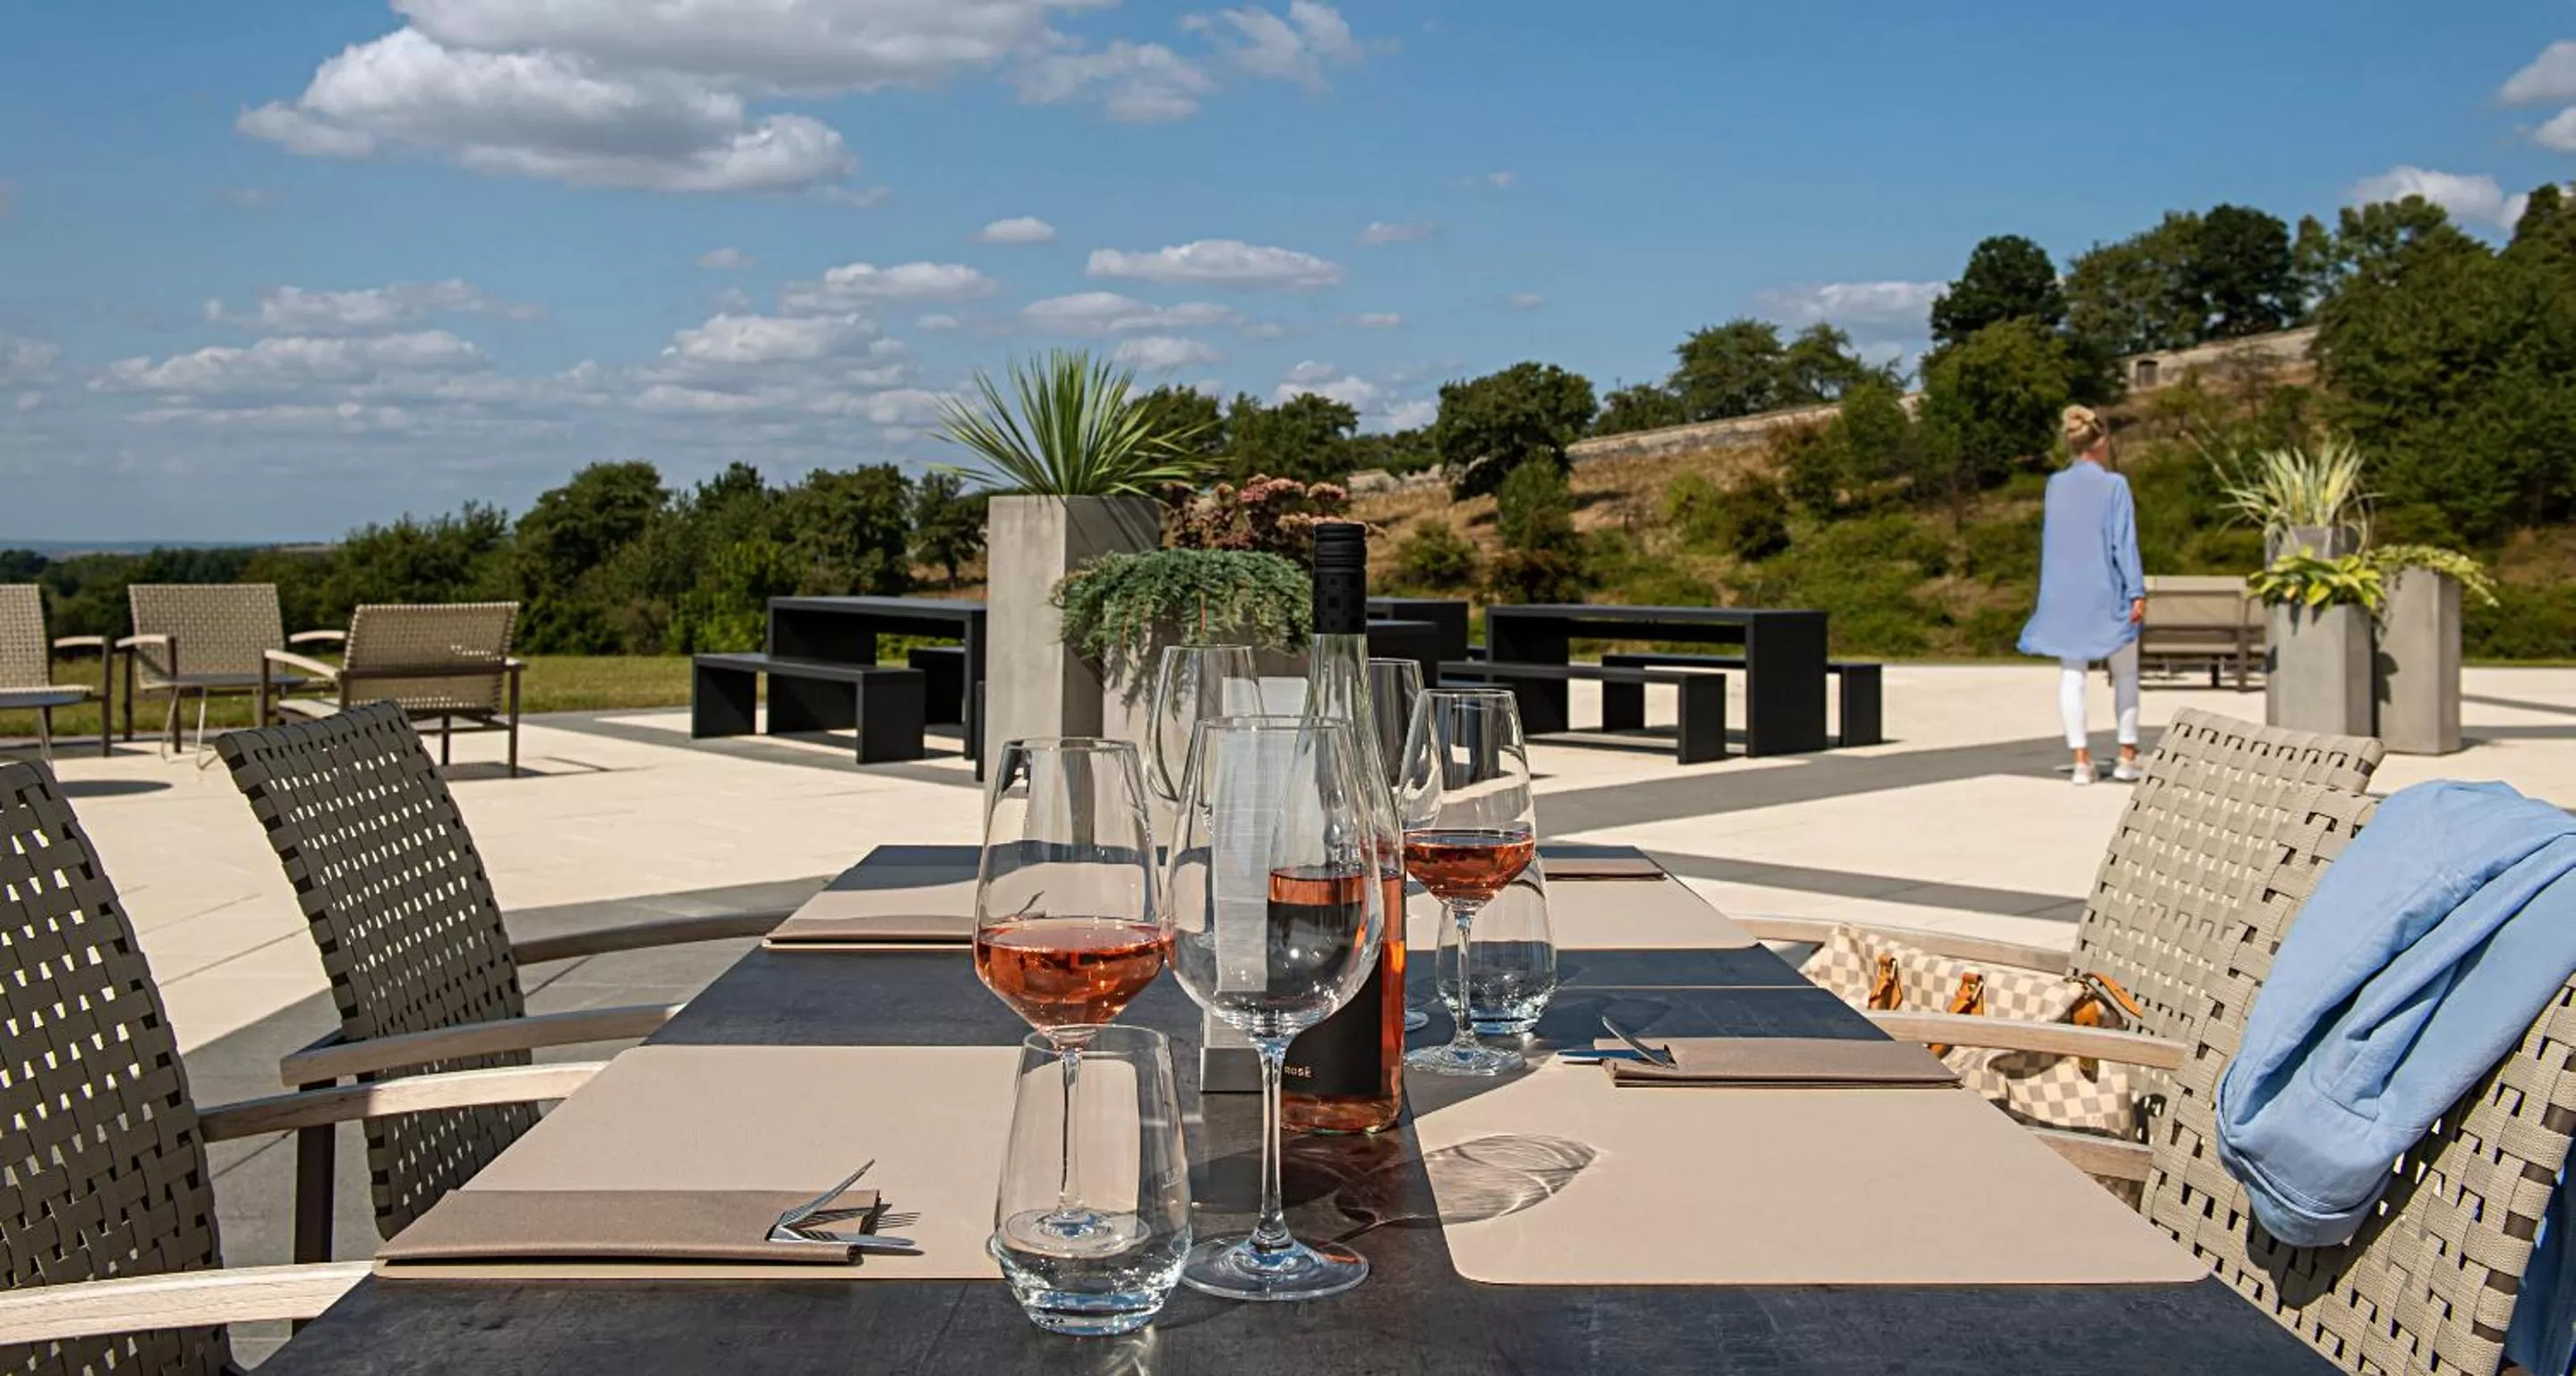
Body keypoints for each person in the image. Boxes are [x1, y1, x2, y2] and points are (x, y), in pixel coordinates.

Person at [2017, 405, 2145, 785]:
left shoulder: (2055, 485)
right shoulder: (2114, 485)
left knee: (2072, 676)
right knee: (2125, 673)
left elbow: (2055, 543)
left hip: (2064, 593)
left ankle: (2080, 760)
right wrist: (2136, 591)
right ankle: (2126, 755)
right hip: (2108, 591)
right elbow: (2124, 543)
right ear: (2101, 442)